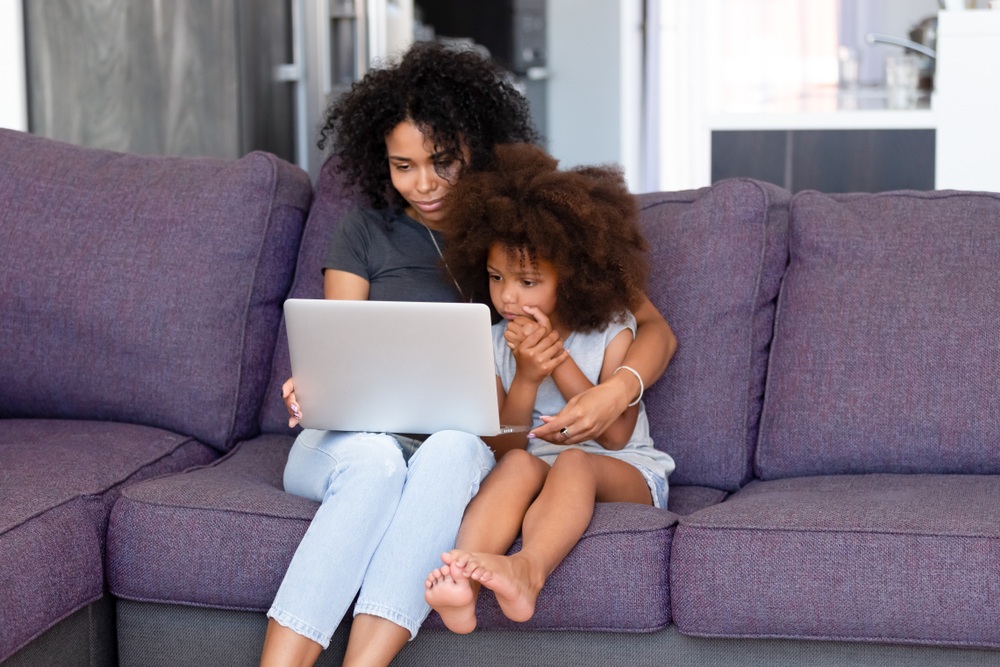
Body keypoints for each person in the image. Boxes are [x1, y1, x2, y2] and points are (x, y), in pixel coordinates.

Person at [262, 42, 675, 667]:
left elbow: (649, 328)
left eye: (442, 162)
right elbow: (337, 338)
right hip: (357, 440)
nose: (424, 184)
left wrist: (613, 388)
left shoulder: (524, 233)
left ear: (475, 149)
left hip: (448, 449)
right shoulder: (368, 234)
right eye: (402, 165)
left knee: (456, 446)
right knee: (377, 460)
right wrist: (315, 381)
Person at [423, 143, 676, 635]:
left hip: (624, 470)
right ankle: (463, 581)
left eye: (528, 281)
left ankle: (528, 571)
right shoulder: (495, 342)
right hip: (535, 460)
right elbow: (505, 444)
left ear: (574, 279)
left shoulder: (610, 330)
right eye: (496, 278)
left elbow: (617, 435)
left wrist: (555, 359)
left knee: (576, 461)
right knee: (518, 464)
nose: (508, 296)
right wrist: (527, 375)